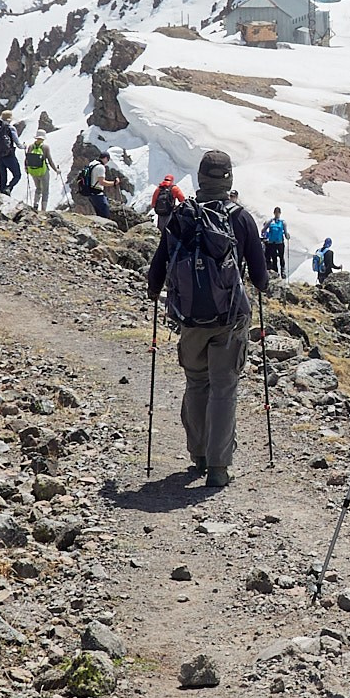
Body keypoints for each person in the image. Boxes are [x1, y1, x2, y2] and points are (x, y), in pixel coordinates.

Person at [145, 150, 270, 489]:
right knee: (224, 389)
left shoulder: (181, 216)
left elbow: (157, 269)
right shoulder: (240, 217)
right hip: (229, 318)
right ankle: (217, 467)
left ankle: (198, 454)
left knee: (197, 383)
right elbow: (260, 277)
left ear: (200, 179)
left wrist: (156, 291)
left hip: (189, 319)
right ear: (228, 179)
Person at [0, 110, 21, 195]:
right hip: (9, 155)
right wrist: (24, 147)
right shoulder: (10, 128)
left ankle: (2, 192)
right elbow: (17, 143)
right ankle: (9, 188)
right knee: (17, 175)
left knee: (3, 176)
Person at [25, 134, 59, 210]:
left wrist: (26, 168)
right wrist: (56, 170)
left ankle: (35, 204)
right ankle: (43, 209)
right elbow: (50, 160)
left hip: (33, 171)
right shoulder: (45, 147)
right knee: (45, 190)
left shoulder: (31, 146)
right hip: (43, 171)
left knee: (38, 188)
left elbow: (27, 159)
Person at [262, 207, 287, 277]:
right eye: (276, 213)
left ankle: (282, 271)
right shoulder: (271, 222)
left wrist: (286, 235)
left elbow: (285, 232)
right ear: (274, 213)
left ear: (280, 213)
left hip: (279, 242)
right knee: (274, 258)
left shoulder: (282, 222)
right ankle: (276, 272)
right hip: (273, 243)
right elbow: (263, 230)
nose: (277, 214)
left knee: (281, 257)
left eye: (278, 213)